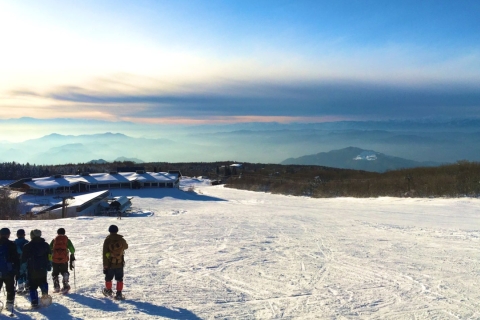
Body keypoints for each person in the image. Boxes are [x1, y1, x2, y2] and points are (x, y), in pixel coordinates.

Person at [22, 229, 52, 308]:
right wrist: (49, 264)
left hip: (32, 269)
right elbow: (49, 255)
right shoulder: (45, 245)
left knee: (32, 285)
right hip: (43, 268)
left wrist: (22, 269)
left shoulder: (27, 246)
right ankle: (45, 294)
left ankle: (34, 302)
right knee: (43, 281)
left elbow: (23, 259)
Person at [102, 225, 128, 300]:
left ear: (109, 231)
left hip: (110, 264)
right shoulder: (121, 239)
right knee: (119, 278)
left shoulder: (107, 240)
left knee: (108, 278)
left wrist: (105, 265)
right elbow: (126, 247)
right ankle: (119, 293)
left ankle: (108, 290)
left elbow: (104, 253)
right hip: (119, 263)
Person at [50, 228, 75, 293]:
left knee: (55, 273)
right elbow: (72, 250)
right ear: (64, 233)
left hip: (55, 260)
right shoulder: (67, 240)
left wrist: (50, 259)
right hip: (64, 260)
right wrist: (71, 254)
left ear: (57, 233)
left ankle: (56, 286)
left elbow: (49, 249)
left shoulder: (54, 240)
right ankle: (66, 285)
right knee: (64, 271)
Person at [0, 228, 19, 313]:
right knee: (10, 288)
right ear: (8, 234)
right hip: (9, 271)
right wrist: (17, 270)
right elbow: (16, 258)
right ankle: (9, 304)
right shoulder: (12, 244)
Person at [14, 229, 29, 294]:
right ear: (24, 235)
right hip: (26, 261)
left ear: (17, 235)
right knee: (26, 274)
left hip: (17, 261)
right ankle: (27, 286)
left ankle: (20, 288)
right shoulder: (27, 242)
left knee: (19, 274)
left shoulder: (15, 242)